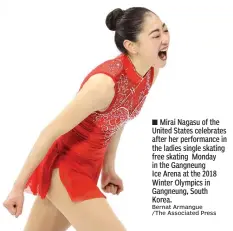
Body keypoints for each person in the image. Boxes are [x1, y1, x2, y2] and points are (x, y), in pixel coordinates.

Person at [3, 6, 170, 231]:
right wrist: (17, 188)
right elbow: (50, 132)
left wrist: (108, 168)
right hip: (65, 169)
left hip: (90, 167)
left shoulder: (150, 72)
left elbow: (119, 116)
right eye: (156, 35)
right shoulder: (103, 85)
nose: (165, 39)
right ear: (131, 46)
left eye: (165, 30)